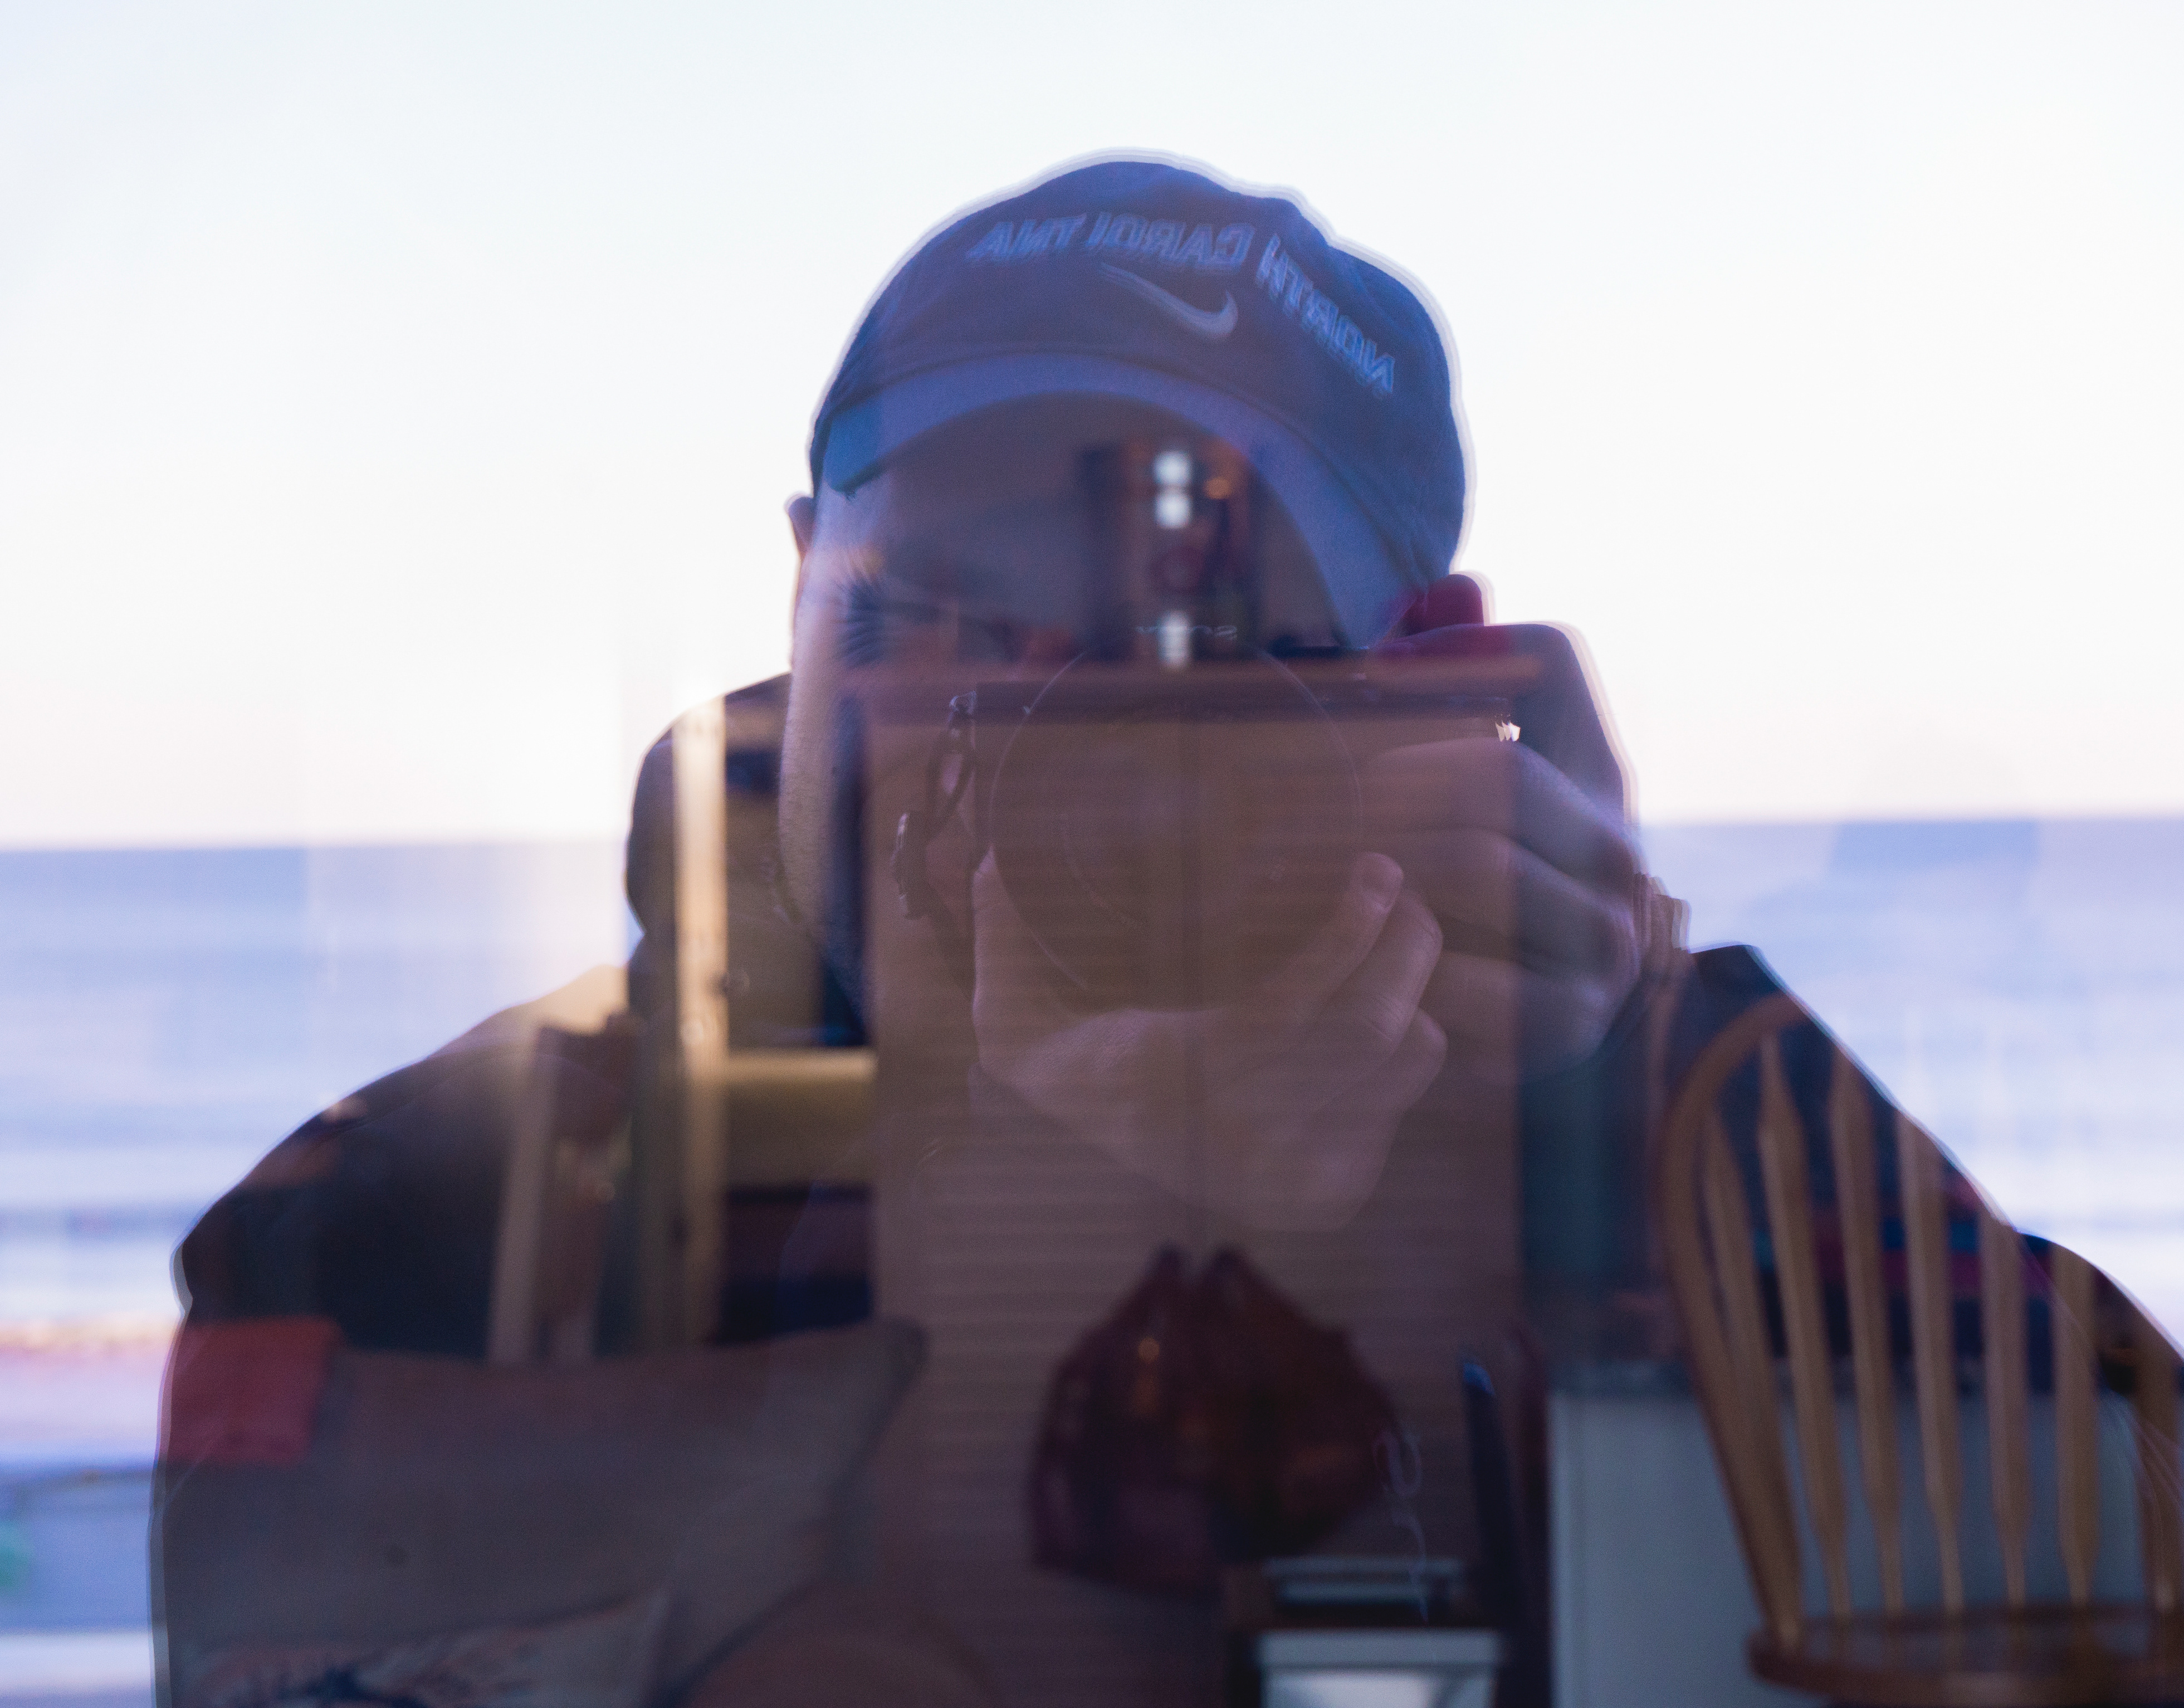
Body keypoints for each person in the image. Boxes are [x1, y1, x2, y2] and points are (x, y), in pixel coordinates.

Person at [168, 158, 2150, 1707]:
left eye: (1189, 658)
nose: (1035, 745)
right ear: (800, 586)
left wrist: (1607, 1124)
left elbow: (2115, 1574)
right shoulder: (446, 1200)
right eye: (934, 619)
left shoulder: (1674, 1123)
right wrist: (1019, 1241)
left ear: (1419, 688)